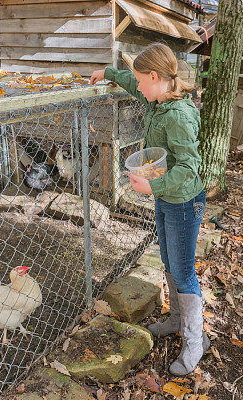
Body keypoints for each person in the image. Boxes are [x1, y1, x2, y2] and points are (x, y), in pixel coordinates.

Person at [90, 42, 210, 376]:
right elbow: (132, 83)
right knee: (170, 262)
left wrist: (152, 185)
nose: (138, 86)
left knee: (184, 270)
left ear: (156, 76)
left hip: (184, 202)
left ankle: (195, 342)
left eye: (142, 80)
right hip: (167, 199)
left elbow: (189, 167)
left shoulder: (180, 116)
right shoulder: (157, 98)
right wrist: (108, 73)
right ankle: (177, 320)